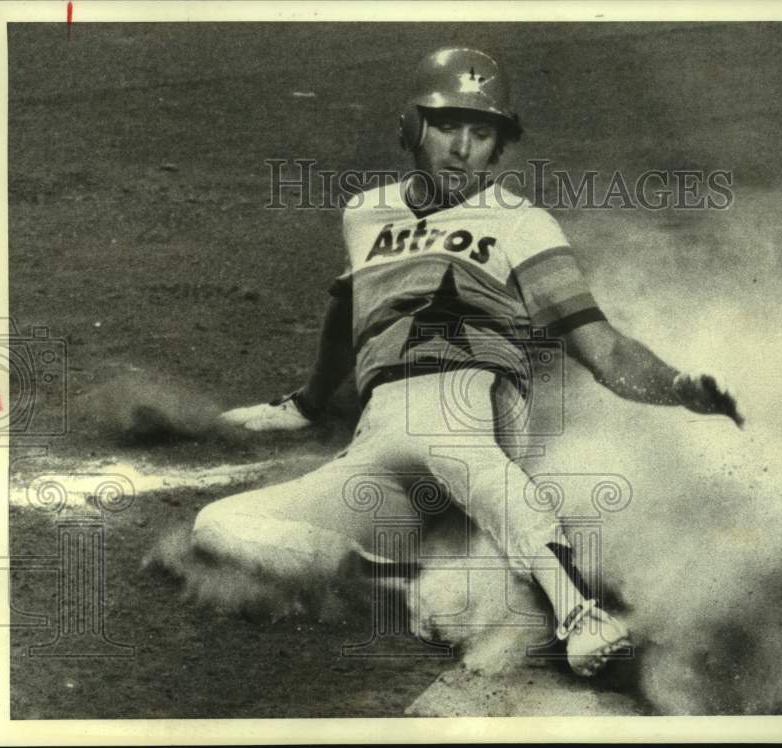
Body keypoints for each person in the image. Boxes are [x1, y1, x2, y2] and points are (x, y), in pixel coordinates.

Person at [207, 47, 743, 677]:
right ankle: (415, 583)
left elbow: (601, 346)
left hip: (473, 408)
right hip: (381, 445)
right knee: (219, 526)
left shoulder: (522, 223)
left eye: (481, 133)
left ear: (498, 148)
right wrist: (308, 401)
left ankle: (581, 614)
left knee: (448, 427)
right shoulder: (364, 213)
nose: (462, 148)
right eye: (447, 127)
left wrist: (677, 387)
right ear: (412, 128)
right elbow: (349, 300)